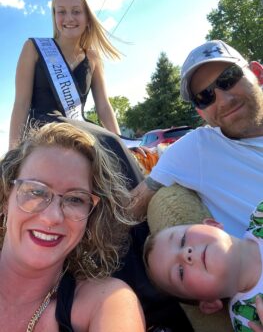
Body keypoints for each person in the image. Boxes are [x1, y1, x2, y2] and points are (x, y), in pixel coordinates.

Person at [0, 122, 145, 331]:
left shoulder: (106, 303)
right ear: (6, 197)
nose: (52, 217)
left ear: (91, 216)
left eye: (75, 199)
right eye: (36, 191)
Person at [131, 39, 263, 239]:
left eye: (228, 78)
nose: (224, 100)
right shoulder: (199, 148)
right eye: (205, 96)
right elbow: (128, 209)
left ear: (257, 72)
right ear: (201, 112)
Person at [9, 0, 120, 150]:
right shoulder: (33, 48)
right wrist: (13, 152)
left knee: (118, 153)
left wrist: (121, 143)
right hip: (41, 135)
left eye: (76, 11)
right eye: (61, 12)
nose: (69, 18)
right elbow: (21, 103)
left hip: (78, 133)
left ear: (87, 17)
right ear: (54, 16)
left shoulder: (93, 58)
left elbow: (103, 106)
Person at [143, 200, 263, 332]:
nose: (185, 254)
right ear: (209, 304)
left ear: (212, 224)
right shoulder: (246, 321)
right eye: (180, 272)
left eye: (183, 240)